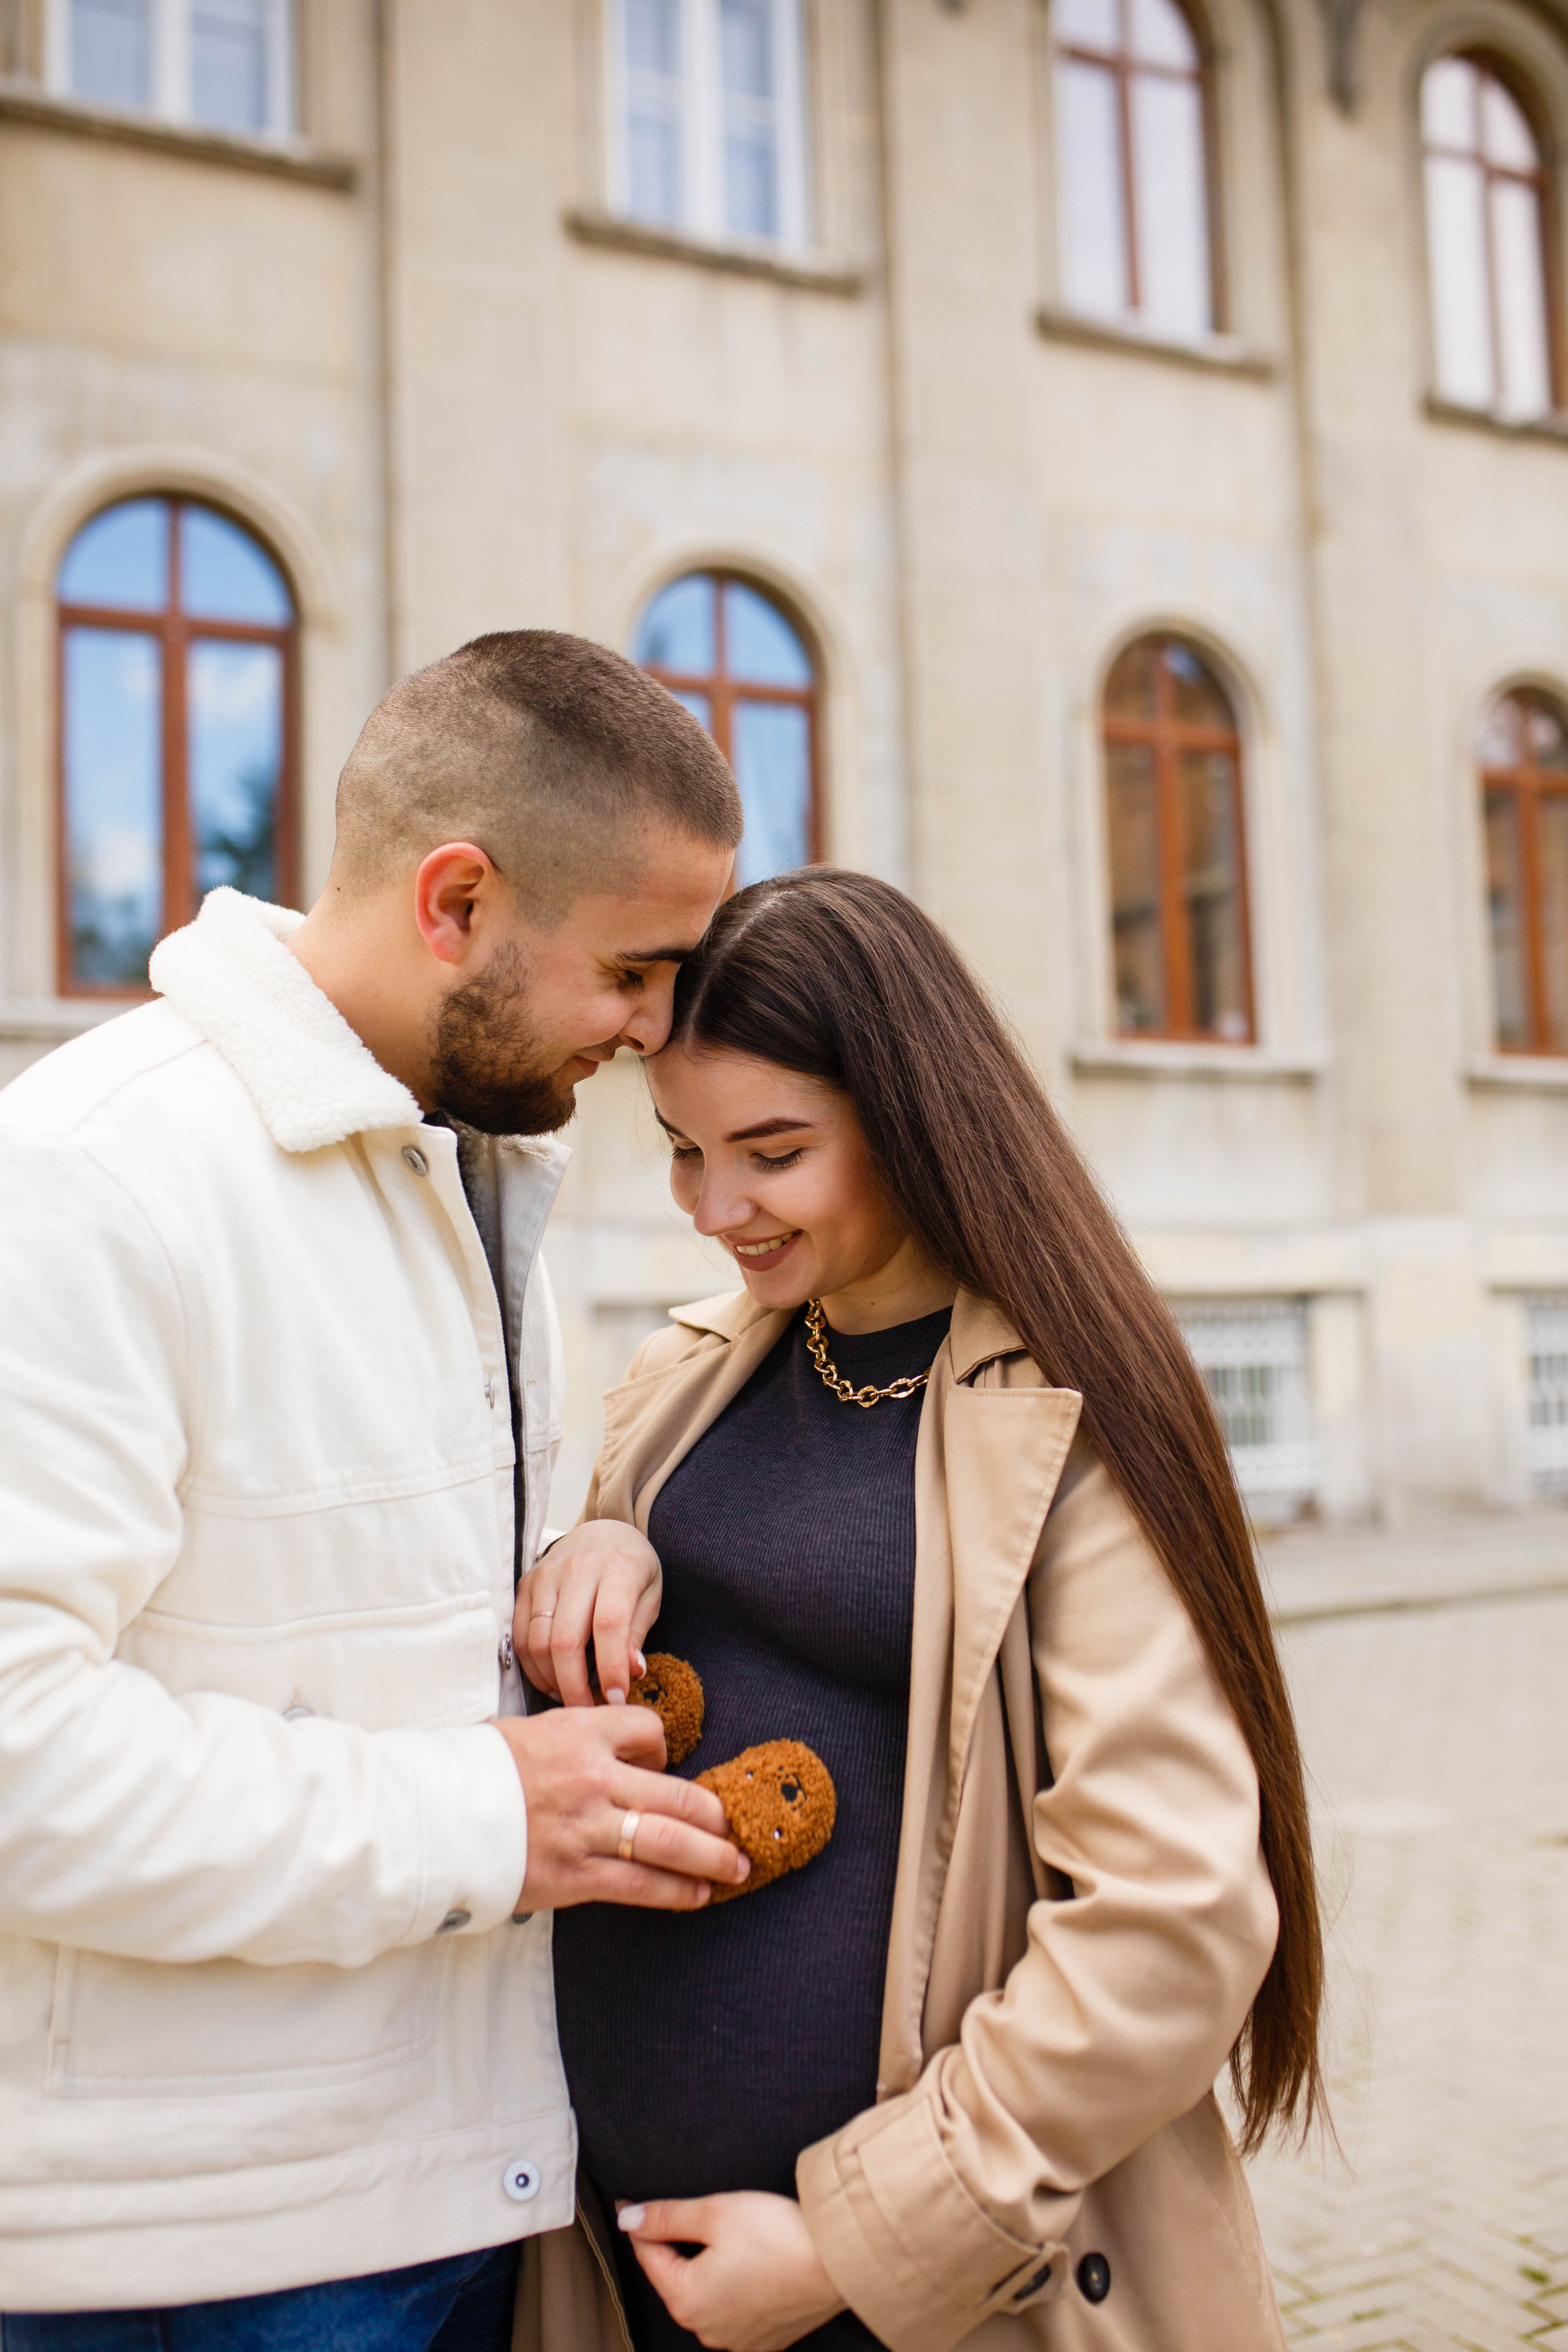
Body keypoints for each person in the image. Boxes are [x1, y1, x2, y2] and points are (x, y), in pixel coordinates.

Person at [0, 631, 754, 2348]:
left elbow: (369, 1594)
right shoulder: (91, 1177)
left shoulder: (473, 1163)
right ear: (457, 901)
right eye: (634, 970)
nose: (657, 1029)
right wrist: (485, 1814)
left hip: (450, 2200)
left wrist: (594, 1545)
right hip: (194, 2263)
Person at [516, 867, 1322, 2352]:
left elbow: (1173, 1920)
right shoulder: (686, 1375)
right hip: (620, 2281)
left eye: (772, 1153)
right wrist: (598, 1545)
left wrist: (853, 2242)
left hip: (931, 2301)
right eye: (683, 1149)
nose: (713, 1209)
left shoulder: (1071, 1420)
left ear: (910, 1118)